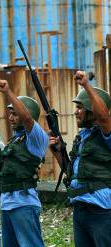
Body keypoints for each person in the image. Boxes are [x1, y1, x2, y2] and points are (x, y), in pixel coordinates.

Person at [49, 71, 111, 247]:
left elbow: (104, 117)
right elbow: (71, 173)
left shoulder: (106, 133)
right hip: (80, 208)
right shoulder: (82, 137)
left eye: (80, 108)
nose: (76, 112)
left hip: (101, 210)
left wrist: (86, 86)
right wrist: (57, 152)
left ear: (92, 111)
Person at [0, 80, 48, 247]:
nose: (11, 118)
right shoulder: (15, 141)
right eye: (10, 114)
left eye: (15, 114)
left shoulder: (36, 138)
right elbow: (3, 172)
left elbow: (27, 118)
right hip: (7, 204)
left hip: (24, 204)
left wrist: (8, 92)